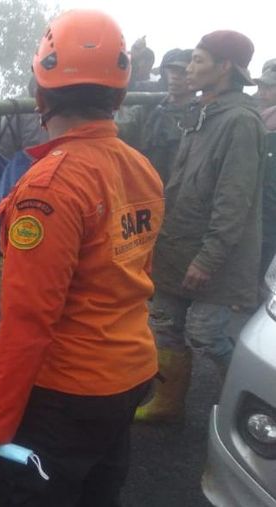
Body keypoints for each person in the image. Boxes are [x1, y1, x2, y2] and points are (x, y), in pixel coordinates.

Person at [0, 11, 163, 506]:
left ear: (40, 95)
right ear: (118, 96)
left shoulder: (49, 189)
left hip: (67, 396)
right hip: (129, 375)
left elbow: (29, 321)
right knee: (97, 493)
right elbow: (133, 271)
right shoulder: (141, 169)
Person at [136, 30, 267, 423]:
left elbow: (235, 199)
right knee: (166, 324)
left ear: (225, 67)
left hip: (214, 253)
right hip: (178, 243)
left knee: (207, 334)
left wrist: (208, 258)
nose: (188, 69)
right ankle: (167, 403)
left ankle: (256, 400)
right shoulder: (203, 112)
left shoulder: (241, 122)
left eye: (198, 60)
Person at [117, 48, 195, 184]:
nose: (175, 76)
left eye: (182, 72)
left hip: (178, 190)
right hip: (146, 187)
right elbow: (123, 129)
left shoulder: (201, 116)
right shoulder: (150, 110)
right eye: (172, 70)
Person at [0, 77, 49, 160]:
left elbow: (3, 151)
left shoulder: (15, 111)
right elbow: (4, 150)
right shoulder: (17, 111)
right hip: (27, 166)